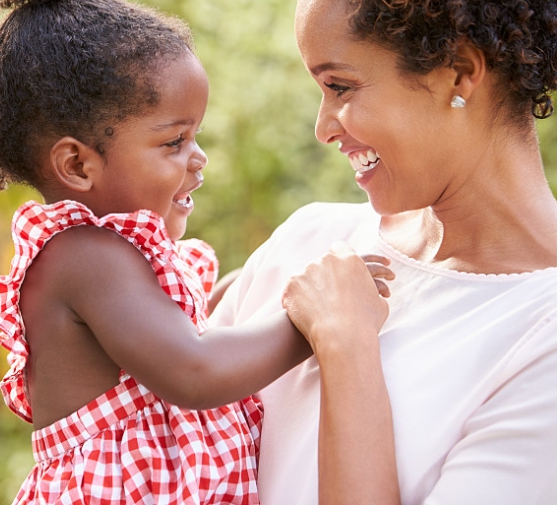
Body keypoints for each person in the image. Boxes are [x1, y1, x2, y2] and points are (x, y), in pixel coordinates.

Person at [0, 0, 392, 503]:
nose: (198, 157)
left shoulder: (112, 259)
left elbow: (174, 336)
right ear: (77, 164)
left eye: (196, 135)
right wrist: (316, 319)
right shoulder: (84, 256)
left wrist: (246, 289)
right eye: (173, 141)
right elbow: (194, 371)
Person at [210, 0, 557, 504]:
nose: (323, 128)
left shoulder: (545, 337)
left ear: (458, 74)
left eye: (340, 87)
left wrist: (345, 346)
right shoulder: (307, 240)